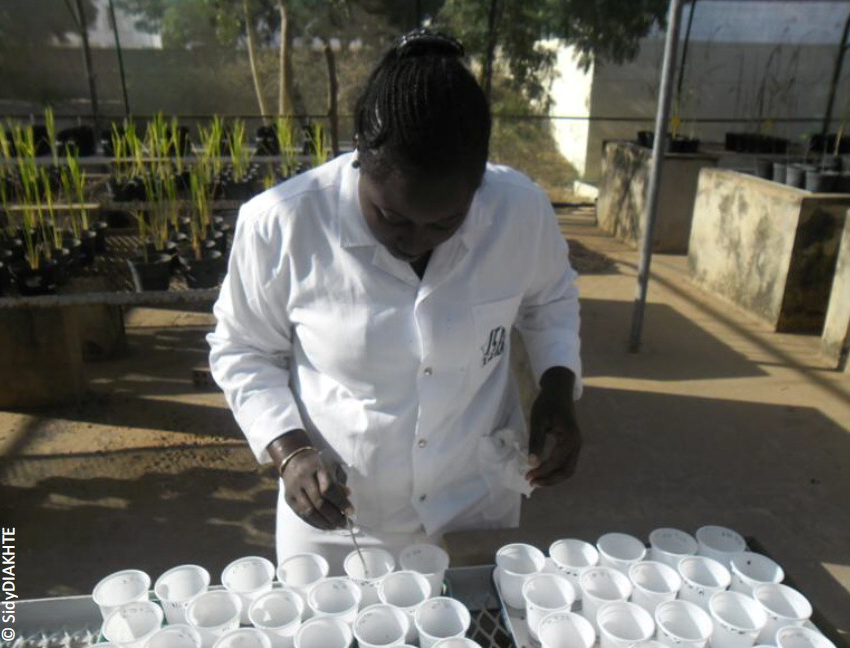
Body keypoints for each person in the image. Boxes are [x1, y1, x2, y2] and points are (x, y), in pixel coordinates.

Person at [208, 28, 583, 570]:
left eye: (445, 222)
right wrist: (289, 450)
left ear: (478, 185)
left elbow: (550, 302)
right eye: (391, 216)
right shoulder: (283, 224)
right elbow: (241, 348)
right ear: (360, 156)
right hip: (341, 513)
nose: (415, 240)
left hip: (469, 503)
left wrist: (556, 387)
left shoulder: (519, 213)